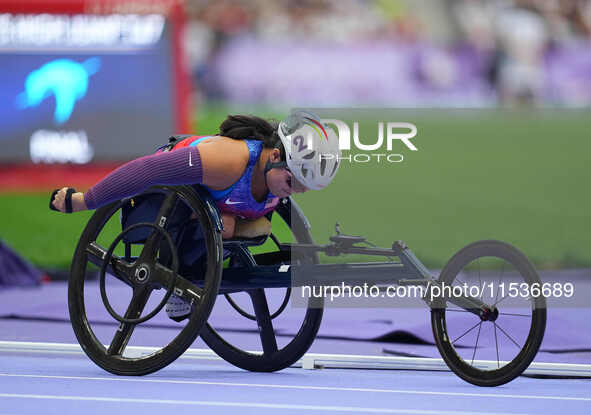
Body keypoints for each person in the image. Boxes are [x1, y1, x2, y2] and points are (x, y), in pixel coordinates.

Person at [50, 110, 341, 320]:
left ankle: (198, 263)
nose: (292, 194)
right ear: (275, 157)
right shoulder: (226, 160)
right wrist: (82, 200)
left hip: (206, 218)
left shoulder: (277, 178)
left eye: (303, 190)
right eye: (292, 183)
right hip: (154, 210)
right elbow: (144, 170)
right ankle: (184, 275)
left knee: (256, 227)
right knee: (226, 224)